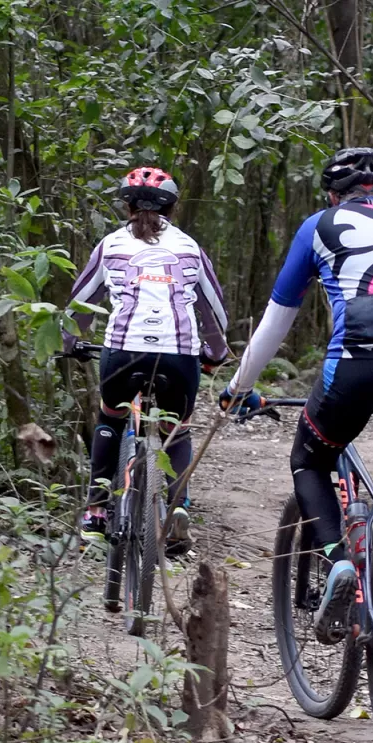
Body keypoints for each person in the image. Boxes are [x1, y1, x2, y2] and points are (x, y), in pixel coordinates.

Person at [220, 147, 373, 644]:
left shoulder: (320, 224)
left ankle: (336, 562)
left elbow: (277, 319)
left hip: (356, 362)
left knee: (309, 459)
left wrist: (239, 386)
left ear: (333, 194)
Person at [64, 166, 229, 552]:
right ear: (172, 206)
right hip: (179, 355)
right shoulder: (190, 247)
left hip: (124, 350)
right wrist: (216, 353)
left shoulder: (110, 245)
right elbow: (214, 311)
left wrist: (71, 341)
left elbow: (81, 302)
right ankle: (177, 507)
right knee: (178, 428)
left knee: (111, 416)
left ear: (125, 206)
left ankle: (96, 512)